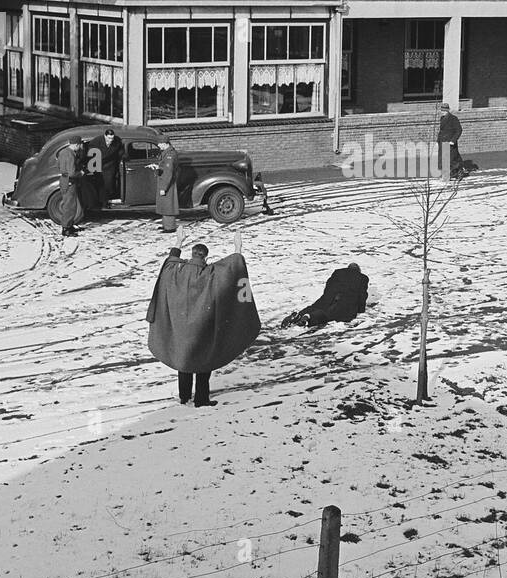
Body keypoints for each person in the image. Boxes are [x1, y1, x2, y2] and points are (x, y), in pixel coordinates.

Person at [146, 241, 262, 407]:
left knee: (183, 360)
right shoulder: (212, 274)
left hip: (181, 329)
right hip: (203, 329)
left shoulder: (176, 272)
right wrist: (237, 247)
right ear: (205, 256)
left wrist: (178, 242)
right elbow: (233, 268)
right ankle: (201, 399)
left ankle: (184, 397)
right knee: (204, 361)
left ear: (192, 254)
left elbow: (170, 261)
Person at [283, 263, 369, 328]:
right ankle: (309, 318)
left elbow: (329, 283)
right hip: (345, 299)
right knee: (330, 314)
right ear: (358, 270)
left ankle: (300, 314)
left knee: (316, 306)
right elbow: (362, 295)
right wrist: (361, 310)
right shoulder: (363, 278)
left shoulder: (338, 272)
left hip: (329, 295)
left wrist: (327, 296)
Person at [55, 138, 87, 237]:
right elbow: (72, 173)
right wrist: (80, 173)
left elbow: (59, 165)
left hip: (64, 180)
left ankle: (69, 225)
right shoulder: (71, 154)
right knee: (69, 206)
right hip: (70, 181)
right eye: (80, 145)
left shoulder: (63, 152)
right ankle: (66, 229)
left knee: (70, 204)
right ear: (77, 144)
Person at [89, 127, 125, 205]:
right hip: (99, 166)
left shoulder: (117, 141)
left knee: (110, 184)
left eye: (112, 138)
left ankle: (108, 200)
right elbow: (90, 151)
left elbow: (120, 151)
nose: (111, 140)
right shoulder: (97, 141)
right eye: (109, 138)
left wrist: (121, 157)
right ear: (105, 136)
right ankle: (102, 202)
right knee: (101, 185)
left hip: (110, 166)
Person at [154, 138, 180, 232]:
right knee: (165, 204)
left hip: (167, 183)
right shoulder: (167, 153)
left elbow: (168, 172)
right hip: (165, 182)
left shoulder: (170, 155)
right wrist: (157, 168)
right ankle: (166, 224)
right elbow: (164, 168)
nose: (158, 146)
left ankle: (170, 227)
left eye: (159, 144)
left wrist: (164, 188)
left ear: (165, 143)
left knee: (169, 205)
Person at [436, 102, 464, 178]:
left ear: (448, 110)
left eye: (444, 110)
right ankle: (446, 175)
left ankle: (458, 172)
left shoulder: (453, 118)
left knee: (452, 159)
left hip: (450, 142)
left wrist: (453, 140)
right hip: (442, 141)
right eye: (442, 110)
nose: (443, 112)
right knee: (443, 159)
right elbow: (442, 130)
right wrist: (438, 140)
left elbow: (459, 130)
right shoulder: (442, 118)